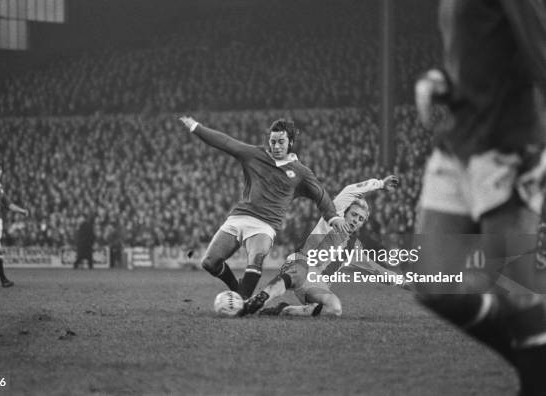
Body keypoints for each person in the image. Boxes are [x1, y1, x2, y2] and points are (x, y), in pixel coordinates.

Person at [413, 1, 546, 394]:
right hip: (458, 144)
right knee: (434, 285)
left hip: (507, 148)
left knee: (517, 293)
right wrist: (440, 80)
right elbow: (475, 57)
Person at [178, 116, 347, 298]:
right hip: (239, 217)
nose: (276, 146)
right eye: (272, 142)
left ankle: (242, 302)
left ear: (291, 142)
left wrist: (333, 216)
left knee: (256, 258)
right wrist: (196, 127)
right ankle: (237, 291)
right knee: (209, 263)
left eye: (281, 142)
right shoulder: (255, 155)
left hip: (265, 225)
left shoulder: (301, 172)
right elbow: (226, 143)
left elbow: (320, 194)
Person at [242, 176, 399, 316]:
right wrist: (380, 184)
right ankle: (260, 298)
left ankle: (283, 310)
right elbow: (350, 190)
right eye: (353, 214)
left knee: (334, 308)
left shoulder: (354, 248)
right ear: (345, 212)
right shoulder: (333, 220)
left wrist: (412, 285)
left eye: (360, 218)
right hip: (299, 264)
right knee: (300, 271)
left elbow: (379, 271)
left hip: (316, 284)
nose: (355, 220)